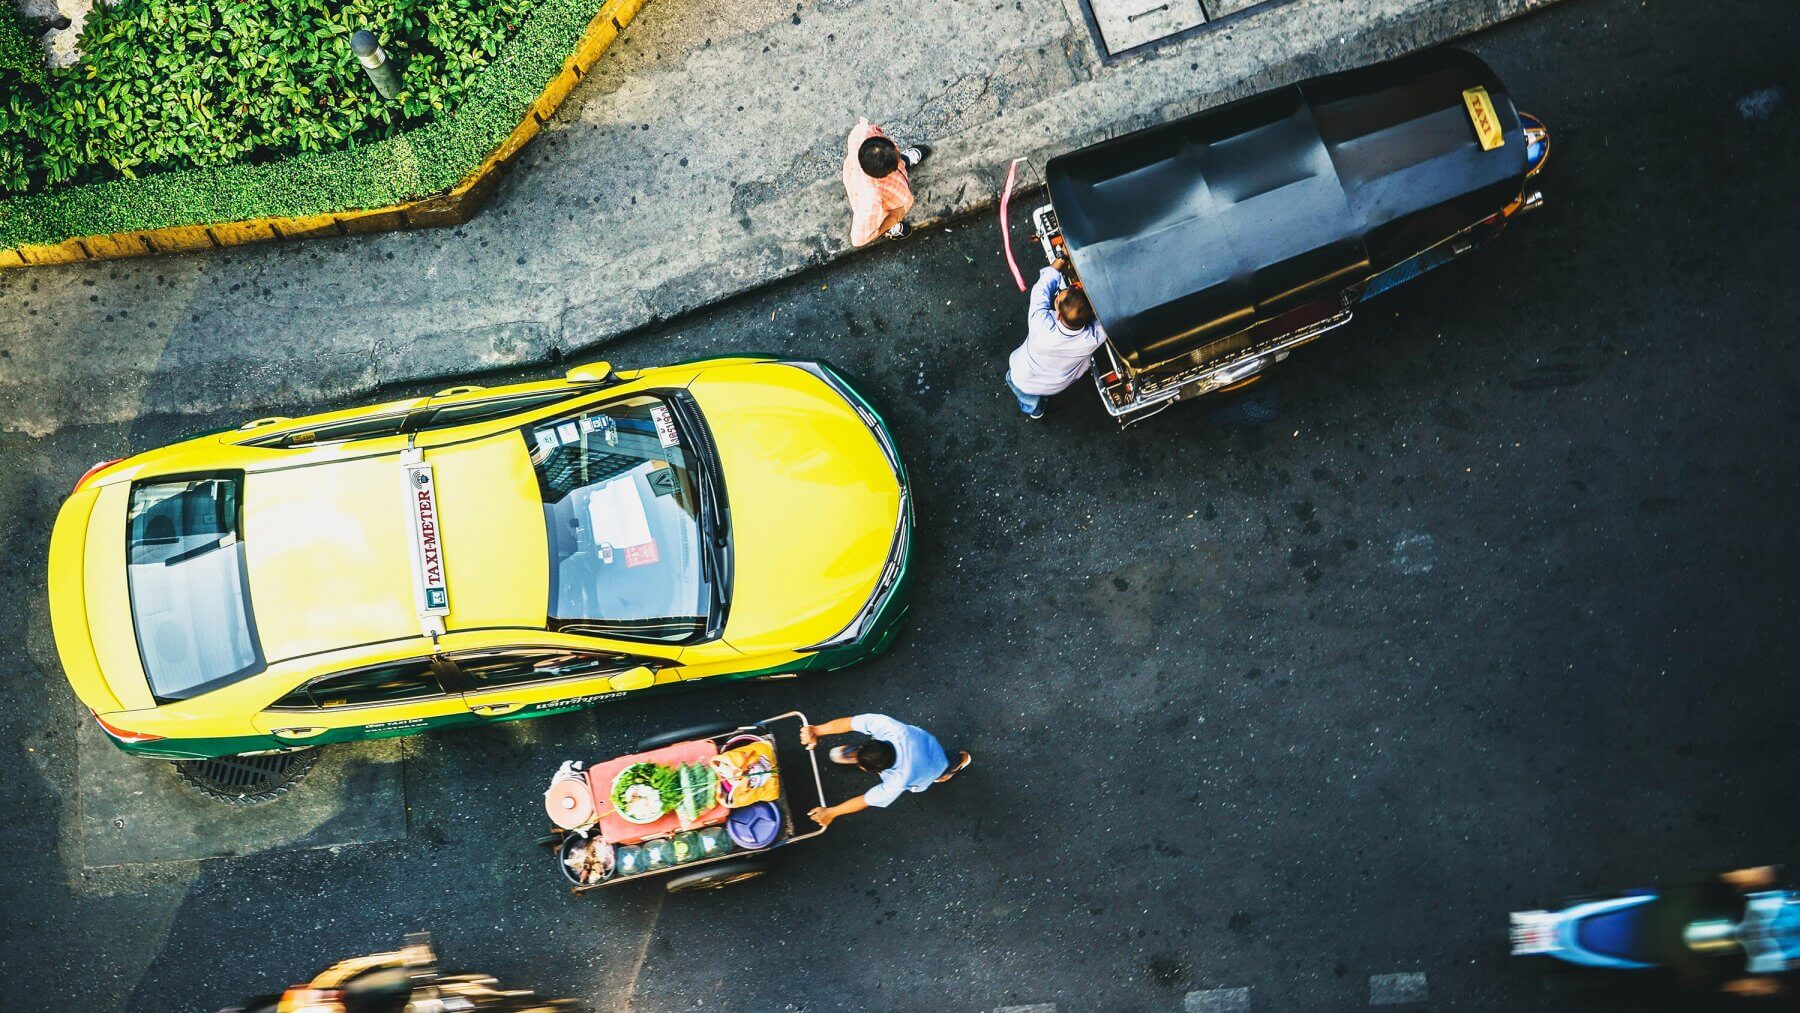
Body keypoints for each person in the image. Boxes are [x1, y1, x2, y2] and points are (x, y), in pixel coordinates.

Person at [801, 713, 970, 826]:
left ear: (879, 772)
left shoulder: (898, 781)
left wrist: (832, 812)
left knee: (947, 764)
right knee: (946, 757)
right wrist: (816, 730)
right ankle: (957, 760)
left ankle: (957, 764)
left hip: (935, 766)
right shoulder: (893, 729)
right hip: (926, 744)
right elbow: (849, 723)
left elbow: (865, 800)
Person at [1005, 258, 1106, 419]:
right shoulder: (1093, 338)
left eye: (1058, 298)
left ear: (1058, 315)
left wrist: (1061, 259)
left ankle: (1035, 410)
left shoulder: (1040, 324)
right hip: (1059, 384)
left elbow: (1041, 290)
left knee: (1025, 394)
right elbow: (1108, 320)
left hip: (1024, 377)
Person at [843, 118, 931, 247]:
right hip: (886, 205)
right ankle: (891, 228)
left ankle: (904, 162)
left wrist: (896, 161)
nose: (896, 146)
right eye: (896, 165)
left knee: (899, 163)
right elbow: (858, 240)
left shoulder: (863, 132)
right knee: (881, 217)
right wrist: (892, 219)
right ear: (884, 174)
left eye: (893, 148)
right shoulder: (870, 201)